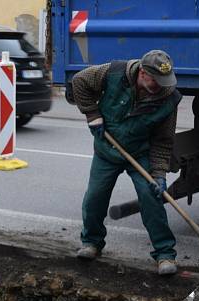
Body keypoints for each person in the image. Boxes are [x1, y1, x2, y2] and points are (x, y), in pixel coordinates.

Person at [71, 49, 182, 275]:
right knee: (95, 197)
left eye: (163, 81)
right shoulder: (113, 73)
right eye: (155, 80)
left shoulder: (168, 99)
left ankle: (164, 254)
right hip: (107, 149)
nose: (160, 85)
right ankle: (91, 242)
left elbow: (163, 141)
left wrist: (159, 174)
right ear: (142, 72)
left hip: (140, 153)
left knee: (151, 197)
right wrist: (92, 114)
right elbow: (79, 82)